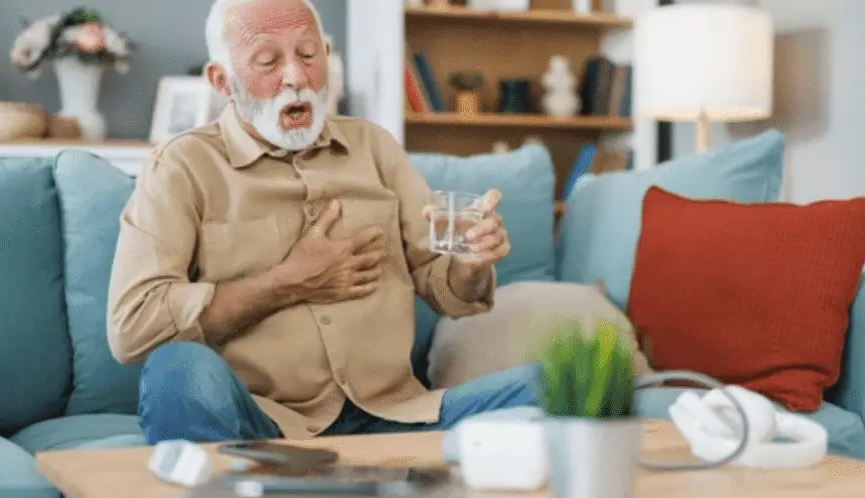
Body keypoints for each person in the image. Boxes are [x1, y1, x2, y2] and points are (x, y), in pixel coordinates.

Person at [106, 0, 540, 445]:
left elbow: (448, 290)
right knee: (175, 368)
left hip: (397, 419)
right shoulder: (184, 165)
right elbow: (134, 327)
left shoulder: (374, 147)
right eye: (268, 61)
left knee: (573, 381)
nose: (296, 76)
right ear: (222, 80)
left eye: (309, 54)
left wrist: (470, 263)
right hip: (264, 427)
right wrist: (286, 282)